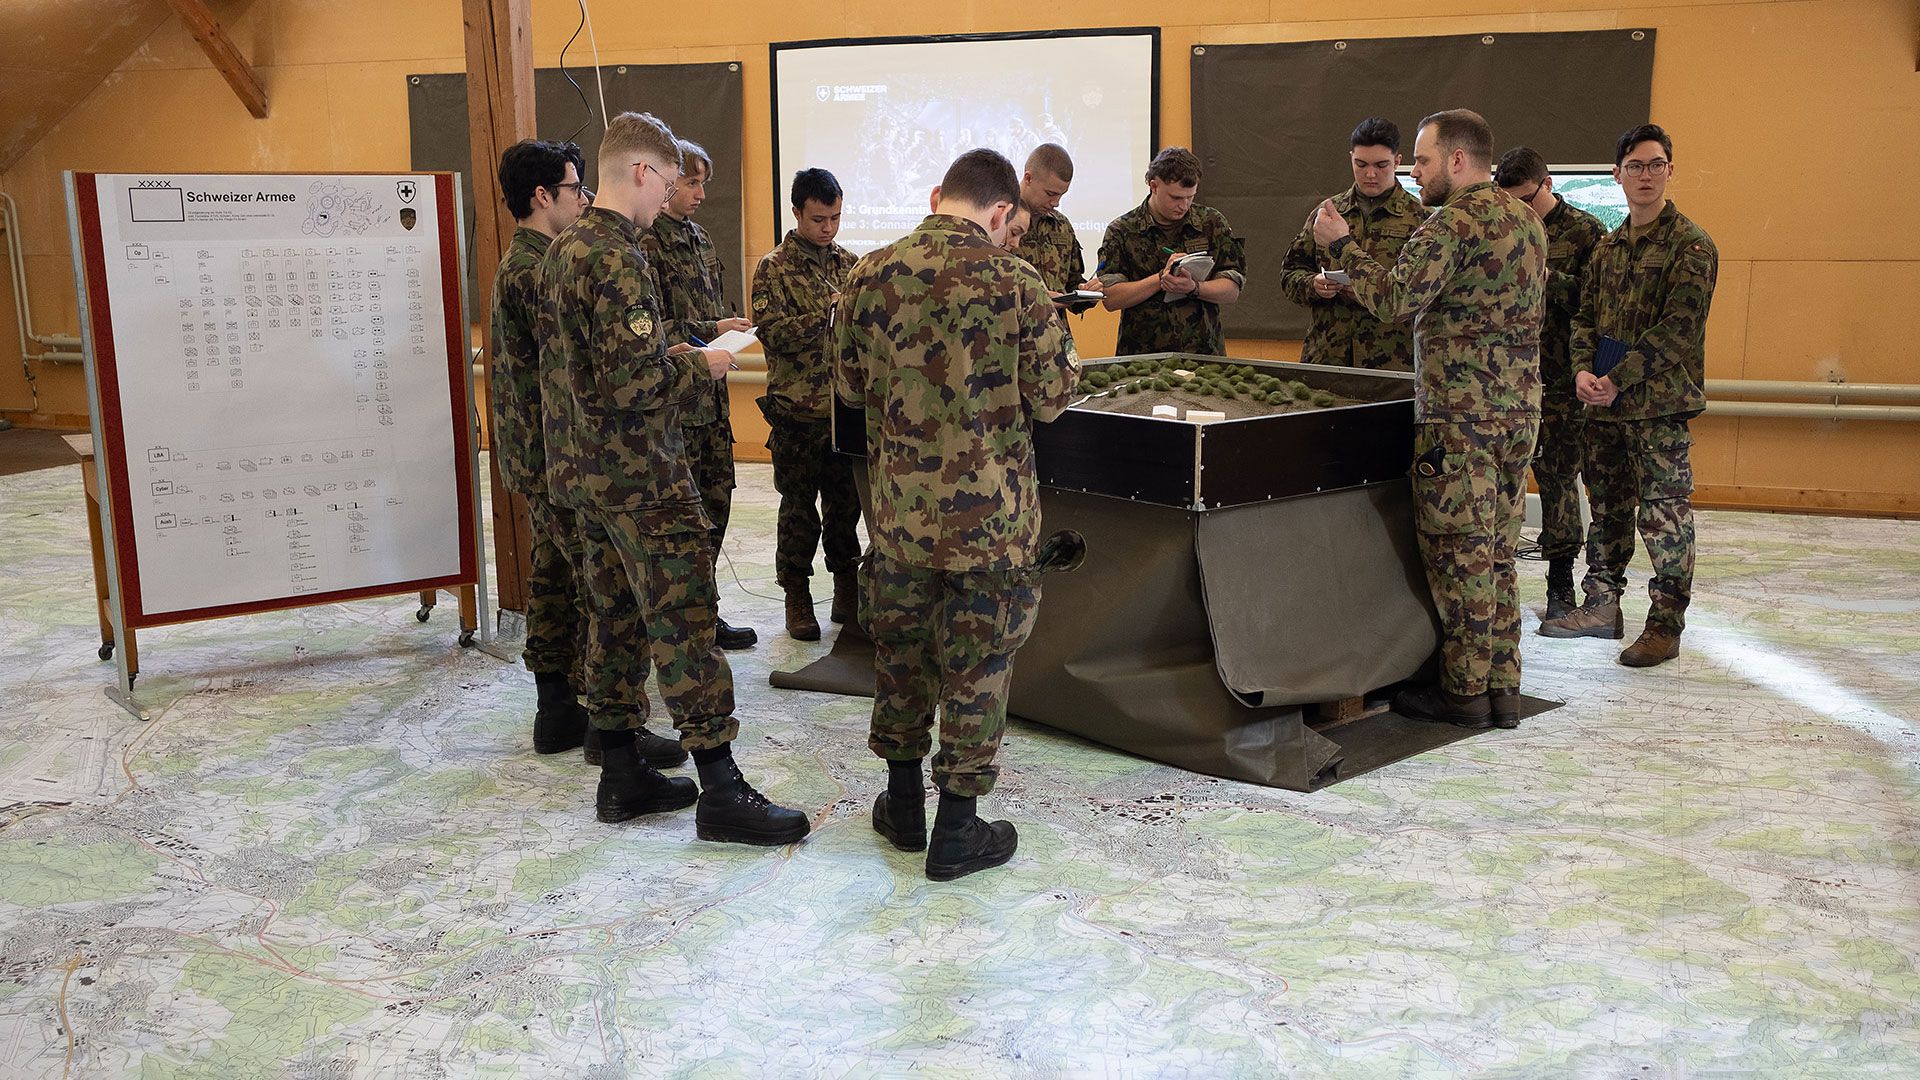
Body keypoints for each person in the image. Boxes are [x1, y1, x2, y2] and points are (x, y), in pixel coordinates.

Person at [541, 111, 809, 843]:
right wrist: (705, 364)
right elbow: (635, 384)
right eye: (667, 182)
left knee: (615, 621)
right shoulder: (619, 255)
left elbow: (585, 369)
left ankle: (621, 773)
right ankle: (721, 787)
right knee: (687, 622)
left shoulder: (564, 249)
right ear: (640, 173)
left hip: (585, 476)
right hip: (639, 475)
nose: (669, 198)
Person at [833, 148, 1078, 881]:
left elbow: (846, 387)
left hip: (900, 519)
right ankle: (958, 830)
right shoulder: (1019, 283)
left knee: (902, 655)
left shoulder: (866, 273)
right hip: (991, 523)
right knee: (978, 666)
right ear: (1001, 211)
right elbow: (1054, 397)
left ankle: (902, 804)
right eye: (1012, 227)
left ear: (943, 195)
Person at [1312, 109, 1547, 730]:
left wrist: (1341, 244)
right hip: (1518, 412)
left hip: (1460, 419)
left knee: (1459, 553)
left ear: (1459, 161)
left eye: (1422, 160)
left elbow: (1393, 299)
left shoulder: (1455, 221)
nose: (1415, 173)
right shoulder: (1528, 222)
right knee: (1498, 551)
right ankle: (1503, 688)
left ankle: (1463, 694)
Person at [489, 138, 679, 770]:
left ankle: (560, 712)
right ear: (543, 196)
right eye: (575, 190)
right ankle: (604, 724)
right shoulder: (537, 267)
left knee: (556, 580)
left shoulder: (531, 260)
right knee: (601, 590)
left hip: (541, 451)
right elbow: (579, 371)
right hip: (559, 452)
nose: (584, 200)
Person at [1539, 124, 1717, 668]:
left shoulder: (1691, 245)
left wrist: (1618, 378)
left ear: (1670, 170)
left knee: (1664, 516)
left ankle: (1665, 626)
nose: (1645, 175)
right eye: (1635, 166)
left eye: (1655, 164)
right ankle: (1601, 607)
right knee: (1609, 510)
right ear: (1617, 174)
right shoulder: (1608, 249)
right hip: (1605, 408)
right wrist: (1582, 372)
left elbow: (1677, 331)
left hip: (1657, 408)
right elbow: (1585, 319)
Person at [641, 138, 757, 650]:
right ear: (665, 186)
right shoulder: (644, 244)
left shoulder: (701, 239)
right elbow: (650, 329)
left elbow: (698, 314)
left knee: (718, 501)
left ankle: (704, 611)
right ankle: (678, 621)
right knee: (681, 522)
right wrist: (706, 328)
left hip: (711, 403)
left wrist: (722, 325)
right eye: (691, 183)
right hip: (674, 408)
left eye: (703, 183)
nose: (701, 193)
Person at [1494, 146, 1607, 622]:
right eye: (1510, 199)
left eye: (1526, 198)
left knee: (1561, 479)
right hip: (1508, 376)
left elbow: (1598, 301)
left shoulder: (1586, 232)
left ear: (1548, 185)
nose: (1518, 208)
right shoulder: (1503, 229)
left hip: (1562, 378)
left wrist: (1544, 277)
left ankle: (1562, 586)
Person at [751, 168, 862, 641]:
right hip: (797, 412)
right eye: (819, 219)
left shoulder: (851, 264)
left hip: (843, 411)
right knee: (799, 512)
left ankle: (847, 589)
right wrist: (827, 315)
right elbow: (771, 332)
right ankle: (796, 595)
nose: (828, 228)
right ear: (796, 212)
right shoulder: (772, 268)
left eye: (835, 218)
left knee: (847, 509)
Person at [1278, 117, 1425, 371]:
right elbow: (1290, 275)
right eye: (1361, 164)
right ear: (1351, 159)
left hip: (1392, 364)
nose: (1370, 174)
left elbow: (1423, 294)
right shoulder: (1327, 214)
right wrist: (1314, 285)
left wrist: (1373, 291)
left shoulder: (1421, 219)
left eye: (1381, 165)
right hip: (1327, 357)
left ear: (1397, 162)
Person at [1096, 147, 1246, 356]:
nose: (1183, 205)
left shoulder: (1211, 223)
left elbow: (1232, 291)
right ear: (1153, 186)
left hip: (1203, 355)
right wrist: (1160, 279)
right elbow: (1111, 299)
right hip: (1142, 357)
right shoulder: (1122, 230)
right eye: (1175, 198)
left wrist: (1193, 287)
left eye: (1190, 197)